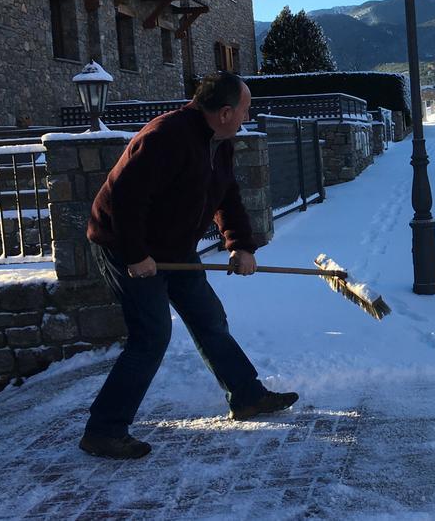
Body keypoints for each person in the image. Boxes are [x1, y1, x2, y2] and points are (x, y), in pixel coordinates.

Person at [79, 72, 298, 460]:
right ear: (226, 112)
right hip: (125, 247)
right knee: (151, 336)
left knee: (209, 317)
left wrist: (240, 246)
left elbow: (226, 196)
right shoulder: (165, 136)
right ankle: (104, 430)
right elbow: (126, 200)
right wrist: (135, 255)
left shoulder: (220, 142)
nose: (248, 115)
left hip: (174, 248)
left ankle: (246, 396)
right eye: (246, 109)